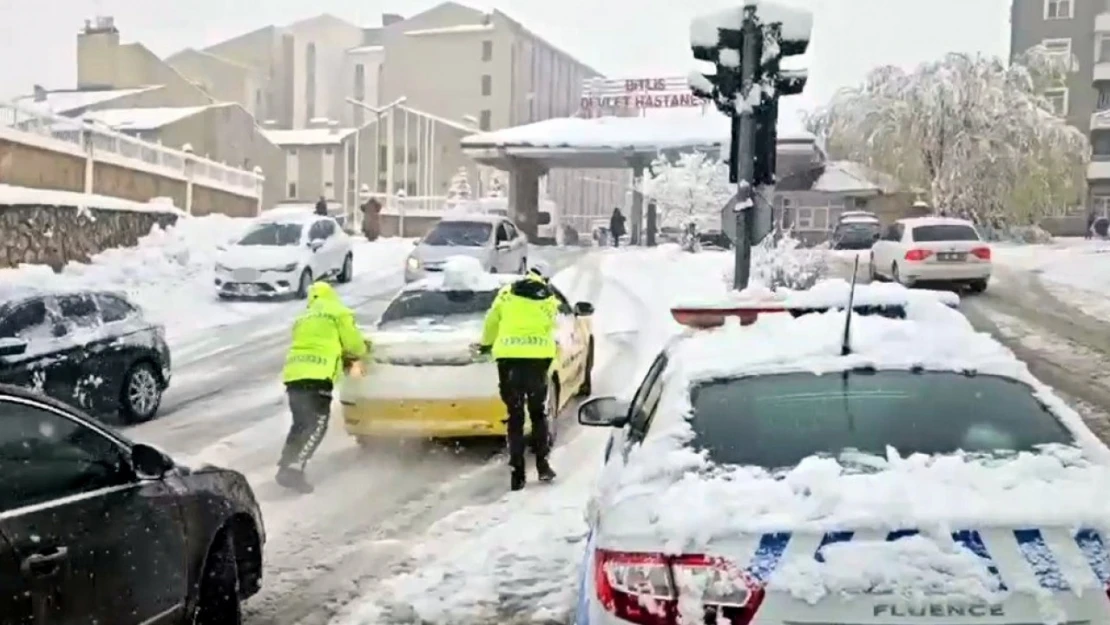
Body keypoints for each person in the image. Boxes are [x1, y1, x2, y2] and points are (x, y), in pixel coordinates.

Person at [278, 281, 369, 493]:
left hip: (294, 374)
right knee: (316, 424)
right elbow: (354, 345)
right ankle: (293, 470)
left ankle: (287, 463)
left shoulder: (302, 317)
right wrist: (363, 350)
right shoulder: (338, 312)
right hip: (318, 375)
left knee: (300, 423)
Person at [477, 262, 559, 491]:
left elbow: (492, 320)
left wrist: (486, 344)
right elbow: (550, 325)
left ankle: (517, 473)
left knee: (515, 415)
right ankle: (542, 465)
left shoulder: (506, 293)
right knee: (537, 412)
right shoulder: (548, 298)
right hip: (537, 358)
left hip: (509, 358)